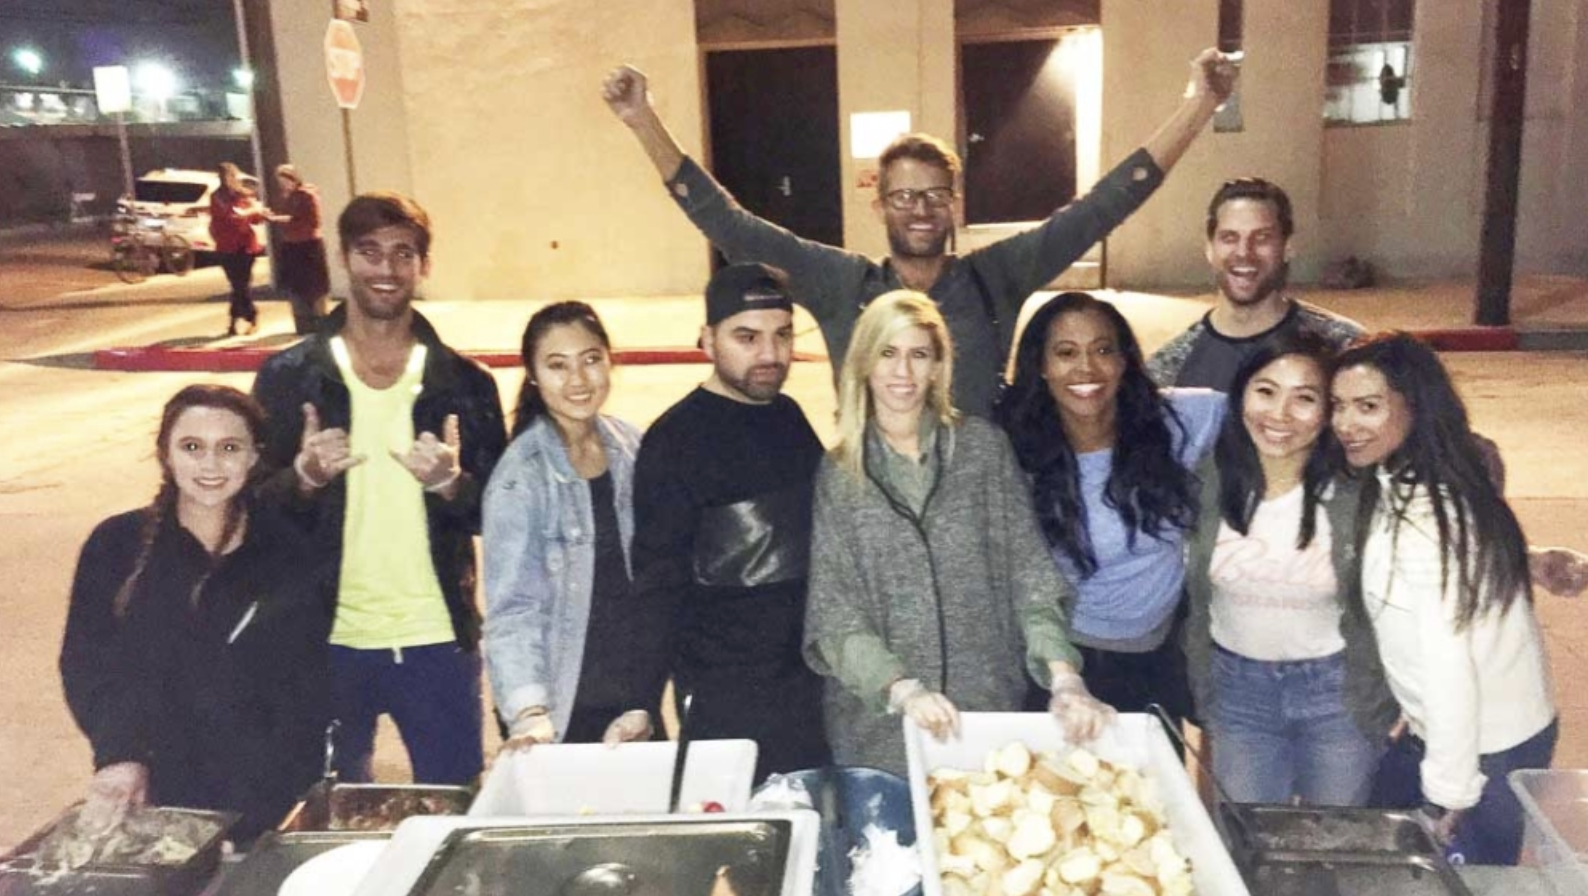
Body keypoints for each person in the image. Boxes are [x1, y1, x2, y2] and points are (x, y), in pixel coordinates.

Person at [603, 51, 1237, 417]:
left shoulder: (996, 277)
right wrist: (641, 119)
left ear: (955, 203)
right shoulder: (840, 284)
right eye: (904, 195)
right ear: (880, 204)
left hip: (979, 500)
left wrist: (1199, 105)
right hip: (876, 508)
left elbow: (1103, 206)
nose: (921, 209)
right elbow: (728, 223)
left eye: (935, 195)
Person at [252, 192, 507, 786]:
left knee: (451, 820)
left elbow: (500, 513)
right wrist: (304, 479)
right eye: (369, 252)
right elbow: (251, 509)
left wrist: (453, 485)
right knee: (321, 821)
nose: (386, 269)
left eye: (403, 253)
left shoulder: (466, 384)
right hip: (323, 641)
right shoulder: (289, 377)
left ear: (424, 265)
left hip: (437, 643)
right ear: (344, 259)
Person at [803, 291, 1109, 775]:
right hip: (880, 733)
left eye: (918, 354)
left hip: (985, 720)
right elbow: (835, 614)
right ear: (863, 362)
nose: (903, 373)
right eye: (888, 353)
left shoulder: (983, 450)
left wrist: (1063, 675)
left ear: (938, 365)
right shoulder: (841, 474)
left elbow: (1029, 574)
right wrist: (901, 688)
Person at [60, 385, 330, 844]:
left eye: (229, 448)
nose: (210, 465)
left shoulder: (289, 550)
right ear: (165, 453)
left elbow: (309, 679)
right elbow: (88, 664)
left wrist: (292, 784)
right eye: (192, 447)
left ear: (253, 457)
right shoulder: (116, 545)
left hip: (268, 793)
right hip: (156, 787)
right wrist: (120, 755)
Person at [1333, 332, 1556, 865]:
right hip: (1470, 728)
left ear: (1416, 405)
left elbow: (1449, 660)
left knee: (1460, 878)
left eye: (1368, 406)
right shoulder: (1415, 480)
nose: (1345, 424)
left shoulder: (1430, 516)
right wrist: (1415, 710)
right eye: (1339, 406)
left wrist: (1448, 795)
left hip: (1486, 746)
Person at [631, 262, 831, 782]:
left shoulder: (789, 417)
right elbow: (657, 583)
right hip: (727, 700)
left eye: (782, 335)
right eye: (747, 337)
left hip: (811, 685)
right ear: (707, 339)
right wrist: (641, 698)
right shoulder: (673, 442)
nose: (769, 355)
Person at [1182, 333, 1397, 806]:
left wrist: (1528, 560)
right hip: (1238, 690)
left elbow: (1428, 549)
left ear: (1328, 414)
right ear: (1240, 395)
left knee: (1335, 840)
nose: (1279, 415)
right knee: (1250, 844)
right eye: (1265, 391)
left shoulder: (1358, 490)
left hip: (1337, 693)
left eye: (1304, 398)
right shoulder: (1206, 479)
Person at [996, 292, 1223, 732]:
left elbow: (1273, 410)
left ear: (1124, 361)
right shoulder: (1014, 452)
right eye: (1065, 353)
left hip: (1156, 660)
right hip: (1059, 662)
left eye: (1103, 350)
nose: (1086, 369)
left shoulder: (1175, 421)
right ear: (1041, 366)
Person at [483, 302, 663, 749]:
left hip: (634, 708)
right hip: (559, 713)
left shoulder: (631, 447)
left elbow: (652, 586)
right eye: (557, 366)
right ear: (532, 375)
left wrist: (645, 697)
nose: (578, 380)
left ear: (609, 360)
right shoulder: (521, 475)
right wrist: (529, 714)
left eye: (591, 359)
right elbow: (512, 610)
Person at [1148, 178, 1362, 390]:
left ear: (1287, 247)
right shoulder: (1168, 369)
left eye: (1262, 238)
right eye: (1229, 237)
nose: (1244, 252)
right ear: (1209, 249)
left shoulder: (1344, 348)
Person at [270, 164, 332, 336]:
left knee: (314, 287)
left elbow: (313, 222)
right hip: (291, 245)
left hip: (308, 245)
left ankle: (320, 323)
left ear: (294, 179)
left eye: (286, 180)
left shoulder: (306, 195)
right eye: (280, 181)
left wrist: (287, 220)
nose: (283, 185)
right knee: (295, 287)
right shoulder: (286, 197)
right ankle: (303, 324)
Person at [210, 162, 268, 337]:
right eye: (224, 176)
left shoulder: (244, 195)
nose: (228, 179)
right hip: (226, 246)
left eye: (230, 176)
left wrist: (255, 212)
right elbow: (229, 217)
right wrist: (249, 211)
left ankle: (235, 322)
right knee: (238, 285)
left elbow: (257, 219)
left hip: (246, 245)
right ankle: (250, 316)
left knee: (240, 285)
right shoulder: (217, 197)